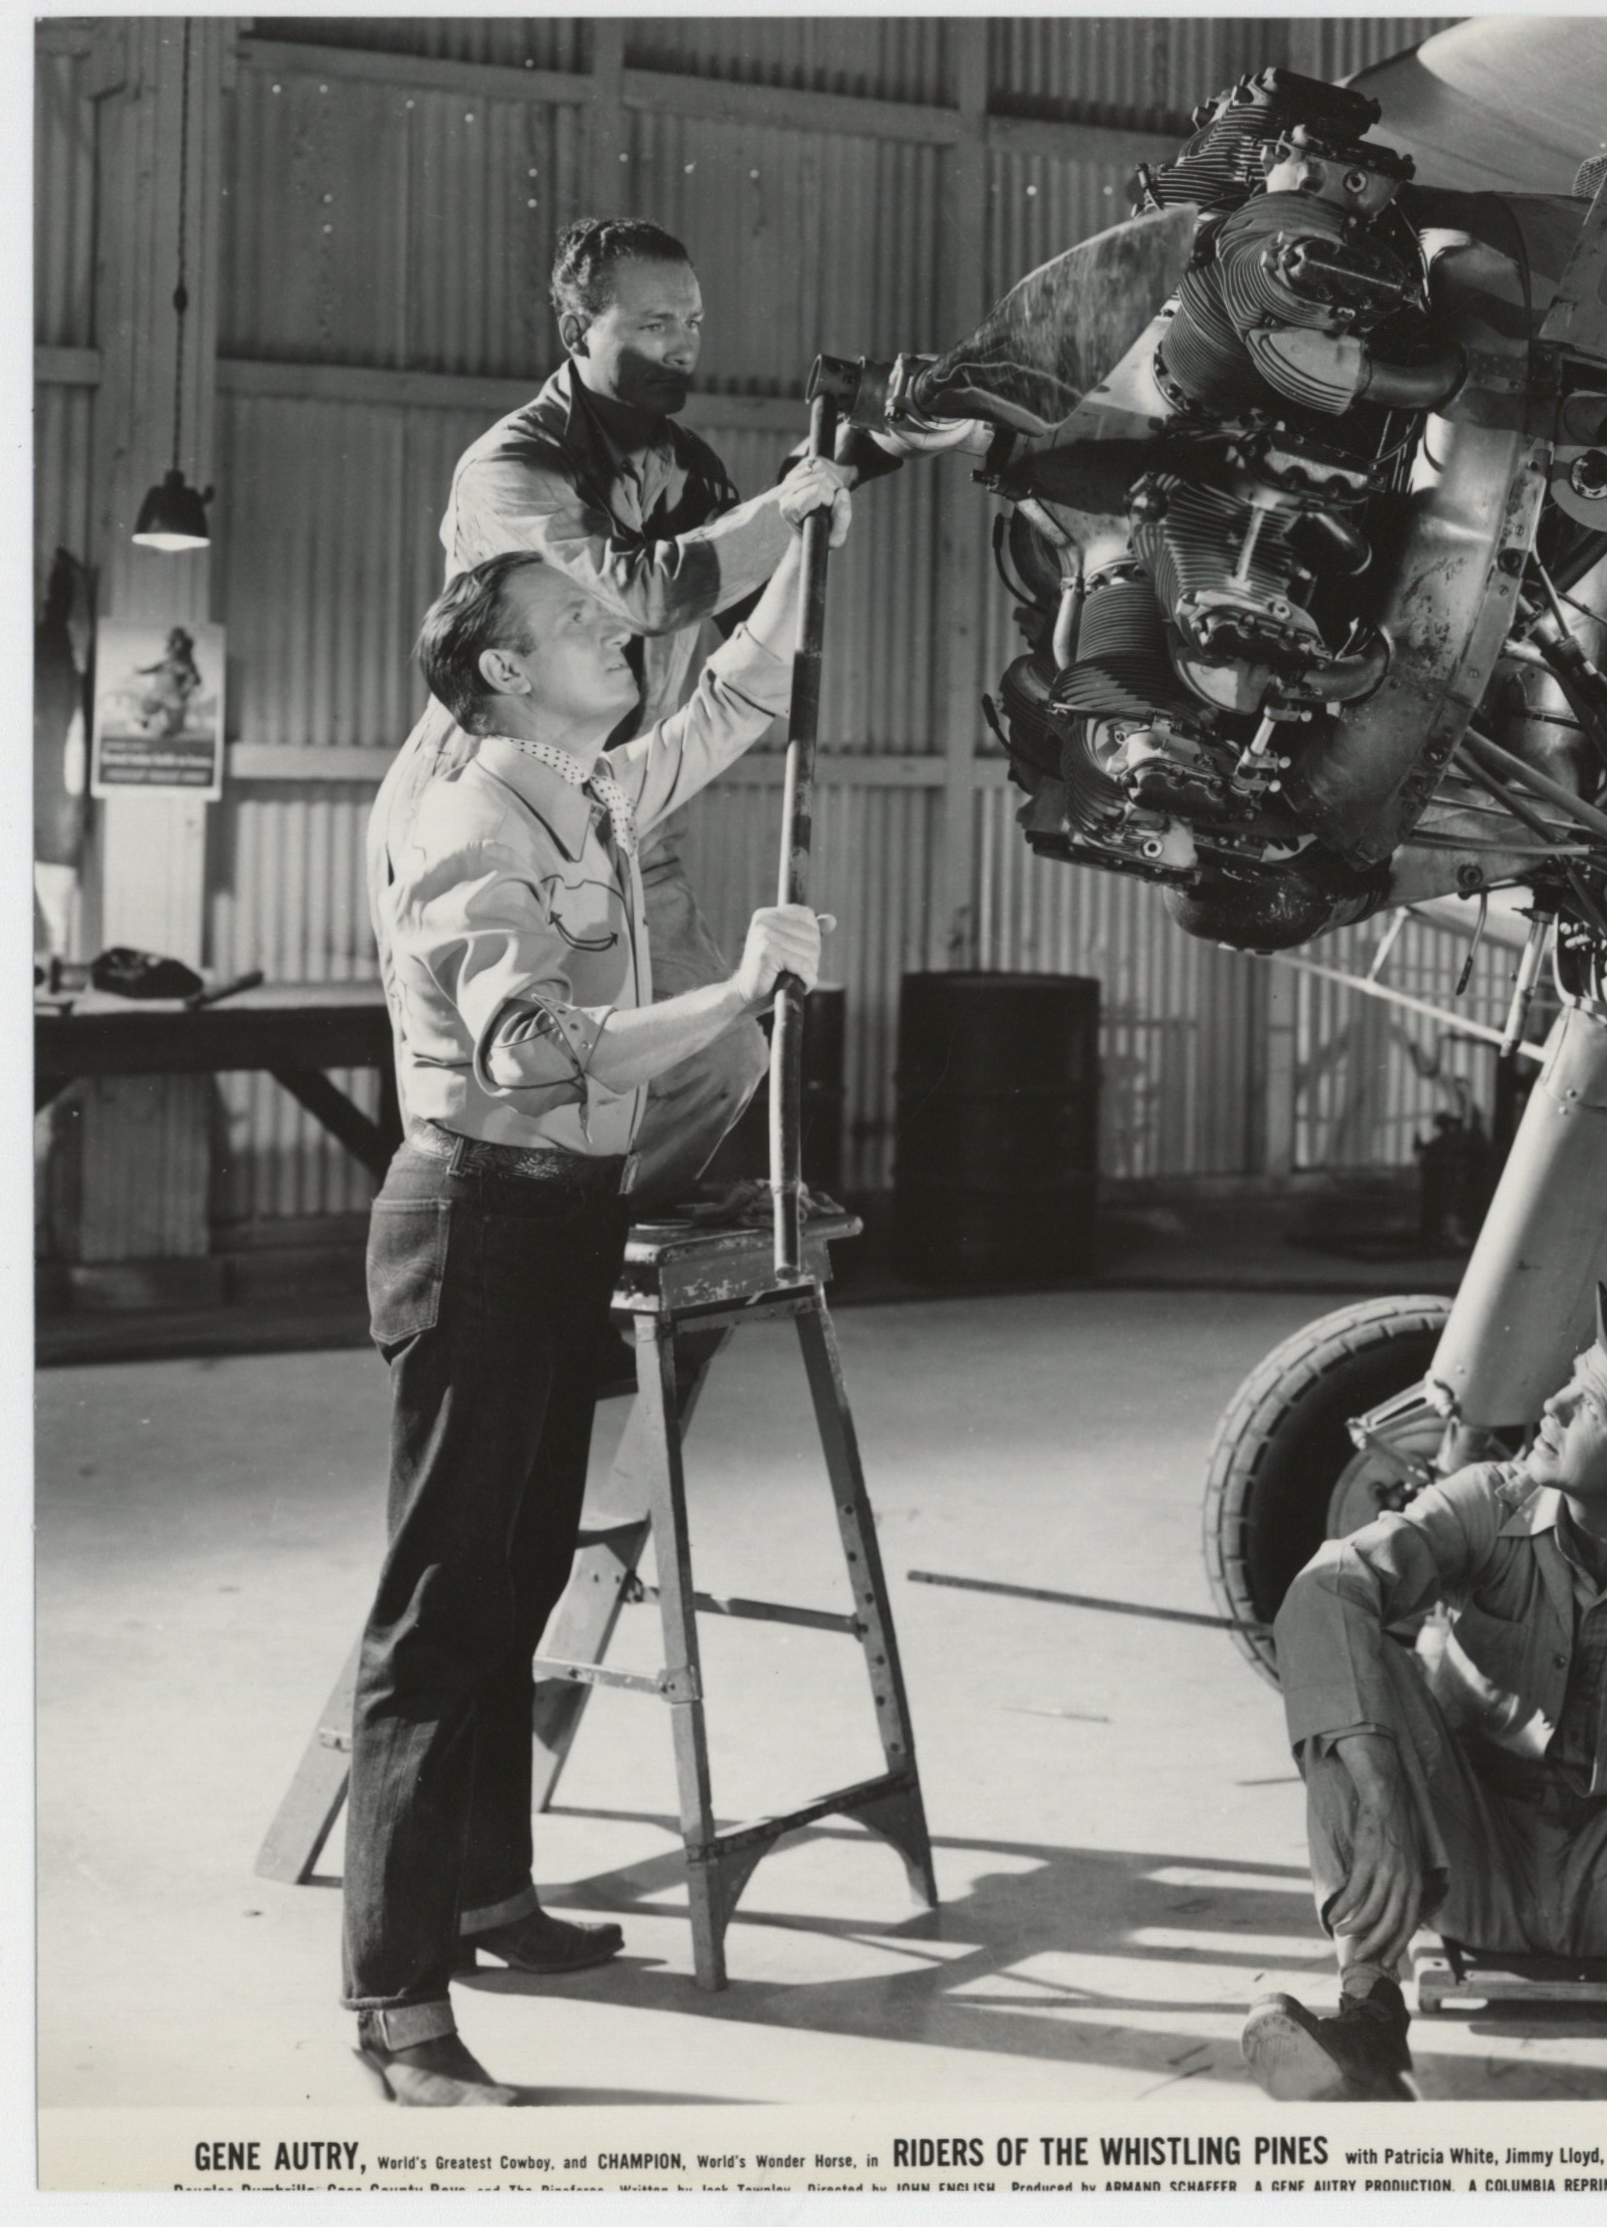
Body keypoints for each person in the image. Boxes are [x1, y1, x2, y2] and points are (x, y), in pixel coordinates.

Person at [344, 460, 850, 2108]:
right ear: (500, 666)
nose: (613, 618)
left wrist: (807, 542)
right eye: (575, 615)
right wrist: (731, 998)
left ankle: (491, 1894)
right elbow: (537, 1052)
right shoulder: (467, 820)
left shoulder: (585, 795)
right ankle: (398, 2006)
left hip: (556, 1222)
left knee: (521, 1571)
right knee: (439, 1610)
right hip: (481, 1208)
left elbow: (731, 708)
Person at [389, 214, 964, 1198]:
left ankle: (600, 1244)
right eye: (653, 323)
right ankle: (520, 1246)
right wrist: (781, 513)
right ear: (578, 330)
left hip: (621, 804)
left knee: (721, 1055)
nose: (682, 345)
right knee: (516, 1073)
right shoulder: (511, 468)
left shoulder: (683, 467)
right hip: (499, 804)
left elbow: (741, 600)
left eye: (691, 321)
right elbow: (639, 593)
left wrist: (866, 457)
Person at [1243, 1286, 1607, 2103]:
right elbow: (1326, 1589)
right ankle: (1366, 2015)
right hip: (1466, 1856)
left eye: (1586, 1404)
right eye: (1568, 1381)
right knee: (1355, 1666)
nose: (1549, 1404)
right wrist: (1377, 1790)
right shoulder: (1488, 1501)